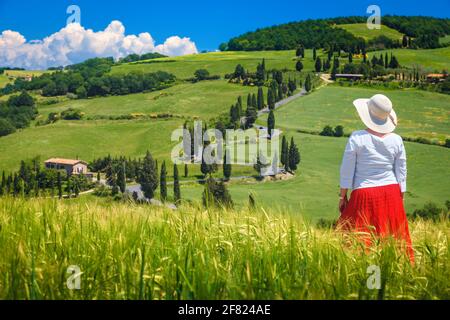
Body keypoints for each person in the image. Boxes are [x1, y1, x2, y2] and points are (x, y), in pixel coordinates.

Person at [337, 94, 414, 261]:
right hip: (392, 192)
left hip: (364, 193)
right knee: (394, 239)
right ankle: (396, 274)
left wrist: (342, 196)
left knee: (357, 240)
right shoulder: (397, 139)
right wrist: (401, 196)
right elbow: (401, 170)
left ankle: (367, 277)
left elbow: (347, 170)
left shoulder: (357, 137)